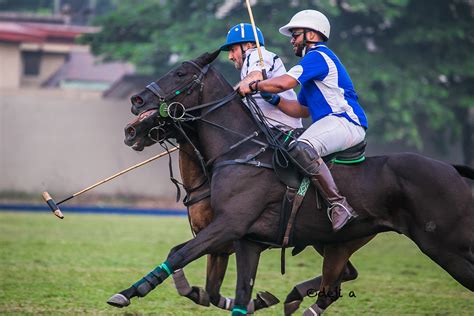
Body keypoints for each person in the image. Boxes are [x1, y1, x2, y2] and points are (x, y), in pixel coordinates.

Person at [239, 10, 368, 232]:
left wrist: (255, 86)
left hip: (345, 121)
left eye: (295, 35)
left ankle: (339, 205)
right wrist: (275, 99)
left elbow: (285, 82)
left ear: (313, 35)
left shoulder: (318, 56)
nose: (292, 41)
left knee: (301, 147)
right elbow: (301, 110)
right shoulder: (313, 70)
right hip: (331, 123)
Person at [220, 23, 302, 131]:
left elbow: (255, 76)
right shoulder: (248, 64)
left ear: (248, 46)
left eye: (233, 50)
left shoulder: (259, 54)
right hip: (265, 132)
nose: (230, 56)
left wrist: (224, 103)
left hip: (284, 132)